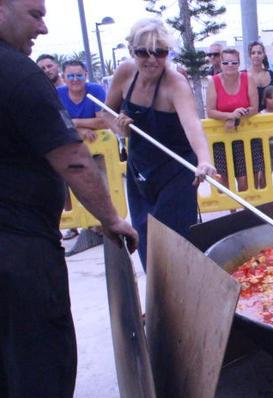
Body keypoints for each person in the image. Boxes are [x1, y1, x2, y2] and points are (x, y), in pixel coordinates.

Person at [0, 0, 138, 398]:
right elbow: (73, 159)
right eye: (35, 12)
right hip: (10, 239)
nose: (43, 27)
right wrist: (111, 219)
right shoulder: (11, 71)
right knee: (38, 352)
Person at [105, 18, 217, 269]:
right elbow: (106, 112)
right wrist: (119, 129)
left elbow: (192, 125)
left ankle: (182, 298)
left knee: (175, 239)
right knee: (144, 237)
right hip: (140, 170)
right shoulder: (125, 73)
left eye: (160, 52)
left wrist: (204, 160)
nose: (152, 59)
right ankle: (157, 300)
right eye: (143, 52)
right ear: (132, 51)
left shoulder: (176, 83)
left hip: (176, 171)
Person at [205, 47, 257, 192]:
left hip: (244, 136)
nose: (230, 66)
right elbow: (210, 111)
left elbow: (254, 108)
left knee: (244, 179)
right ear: (220, 64)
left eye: (234, 63)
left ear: (239, 64)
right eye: (226, 63)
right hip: (220, 136)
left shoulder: (248, 78)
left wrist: (237, 116)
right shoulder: (213, 82)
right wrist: (229, 116)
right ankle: (231, 212)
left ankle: (244, 211)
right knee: (222, 180)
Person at [58, 60, 108, 142]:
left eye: (79, 75)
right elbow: (58, 125)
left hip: (98, 140)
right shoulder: (58, 94)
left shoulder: (96, 90)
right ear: (63, 78)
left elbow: (104, 122)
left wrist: (76, 122)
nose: (75, 79)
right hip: (69, 143)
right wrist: (80, 130)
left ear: (86, 75)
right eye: (70, 76)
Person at [248, 41, 273, 112]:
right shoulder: (243, 76)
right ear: (250, 56)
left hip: (269, 118)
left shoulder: (271, 75)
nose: (256, 55)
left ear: (263, 55)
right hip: (249, 119)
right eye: (253, 53)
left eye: (259, 53)